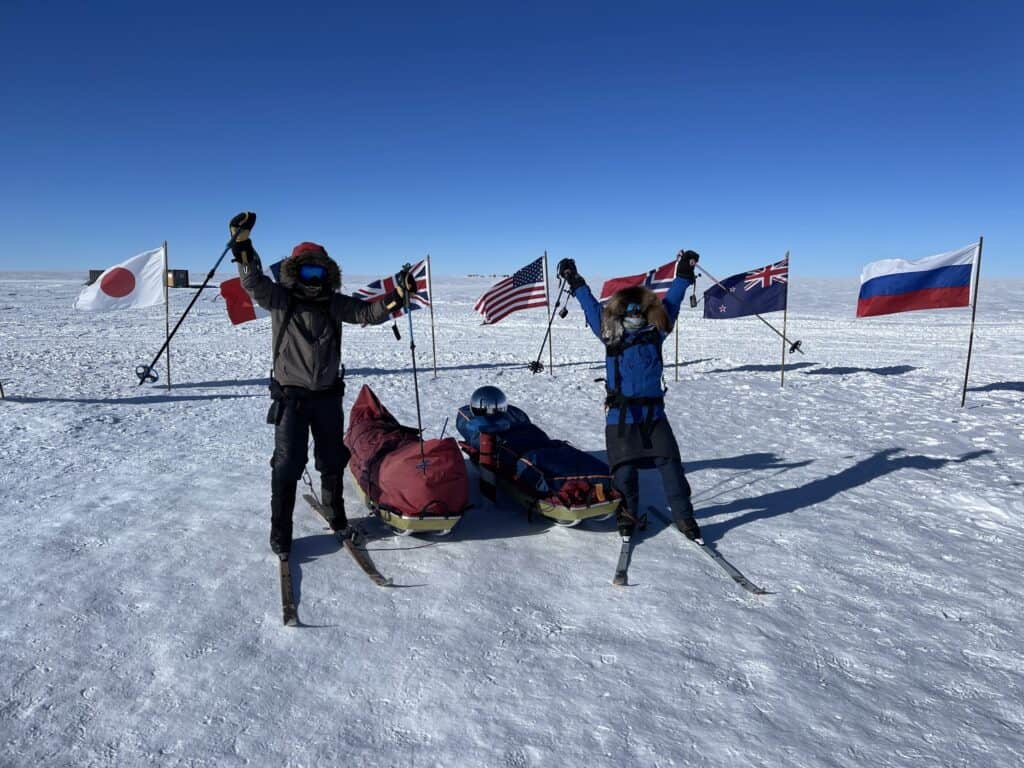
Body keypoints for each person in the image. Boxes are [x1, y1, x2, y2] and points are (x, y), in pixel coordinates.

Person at [229, 211, 418, 557]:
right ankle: (281, 532)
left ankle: (335, 513)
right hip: (291, 399)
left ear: (327, 274)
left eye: (319, 272)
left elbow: (367, 313)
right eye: (306, 271)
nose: (313, 278)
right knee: (287, 464)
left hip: (329, 397)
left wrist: (398, 296)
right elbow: (253, 282)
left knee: (332, 459)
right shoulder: (280, 299)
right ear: (294, 272)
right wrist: (243, 246)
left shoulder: (334, 303)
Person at [557, 251, 702, 540]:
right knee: (623, 473)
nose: (635, 317)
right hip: (619, 415)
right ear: (622, 313)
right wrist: (574, 279)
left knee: (671, 468)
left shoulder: (656, 331)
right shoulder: (610, 333)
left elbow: (672, 301)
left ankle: (685, 520)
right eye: (631, 312)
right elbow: (588, 304)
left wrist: (684, 274)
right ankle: (626, 517)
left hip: (654, 415)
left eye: (640, 312)